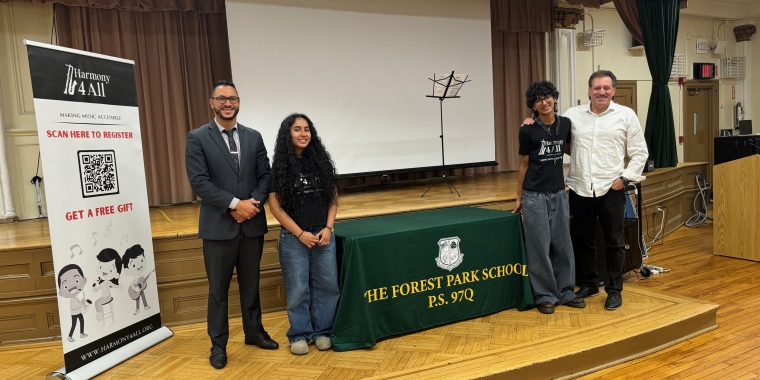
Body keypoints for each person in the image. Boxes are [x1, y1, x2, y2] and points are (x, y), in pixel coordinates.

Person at [523, 70, 648, 311]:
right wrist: (531, 120)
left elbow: (640, 152)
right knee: (583, 240)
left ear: (614, 90)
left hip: (611, 187)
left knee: (614, 242)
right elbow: (552, 132)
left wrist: (625, 177)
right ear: (589, 90)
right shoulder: (572, 115)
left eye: (606, 88)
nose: (601, 92)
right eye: (597, 88)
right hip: (579, 187)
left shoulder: (626, 115)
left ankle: (614, 289)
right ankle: (590, 283)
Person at [185, 80, 279, 370]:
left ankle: (254, 333)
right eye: (222, 98)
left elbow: (266, 175)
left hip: (251, 225)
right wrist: (234, 205)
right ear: (211, 102)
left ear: (239, 102)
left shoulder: (254, 136)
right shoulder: (198, 137)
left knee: (251, 286)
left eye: (233, 98)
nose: (228, 103)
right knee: (218, 291)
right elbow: (199, 182)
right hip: (218, 229)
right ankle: (218, 345)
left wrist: (251, 204)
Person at [268, 113, 340, 356]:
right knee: (298, 288)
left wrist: (328, 228)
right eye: (297, 129)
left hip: (323, 236)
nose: (303, 134)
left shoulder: (321, 163)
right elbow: (275, 208)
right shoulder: (278, 168)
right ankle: (299, 334)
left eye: (307, 129)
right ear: (288, 134)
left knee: (328, 285)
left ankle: (323, 331)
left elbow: (333, 200)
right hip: (294, 238)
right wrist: (300, 234)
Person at [513, 81, 586, 315]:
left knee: (564, 245)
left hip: (558, 193)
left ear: (554, 99)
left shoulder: (565, 124)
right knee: (539, 247)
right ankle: (544, 295)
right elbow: (524, 166)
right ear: (532, 106)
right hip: (535, 196)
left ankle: (566, 291)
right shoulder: (527, 130)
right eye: (538, 100)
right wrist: (519, 197)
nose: (544, 102)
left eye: (547, 97)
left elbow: (567, 148)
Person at [57, 264, 90, 342]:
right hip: (74, 313)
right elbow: (74, 307)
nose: (72, 286)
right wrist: (81, 304)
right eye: (65, 286)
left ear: (84, 280)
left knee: (81, 321)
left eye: (76, 281)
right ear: (61, 293)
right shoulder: (72, 299)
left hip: (77, 312)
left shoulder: (75, 297)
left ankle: (81, 333)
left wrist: (82, 303)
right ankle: (69, 336)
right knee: (74, 325)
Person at [122, 244, 154, 315]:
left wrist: (150, 274)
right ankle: (138, 309)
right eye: (133, 265)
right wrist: (135, 288)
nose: (139, 265)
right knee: (138, 296)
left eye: (141, 260)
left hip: (138, 290)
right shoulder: (135, 278)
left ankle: (143, 307)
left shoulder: (141, 276)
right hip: (134, 290)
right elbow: (132, 285)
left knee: (141, 293)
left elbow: (144, 282)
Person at [92, 248, 121, 321]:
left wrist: (119, 286)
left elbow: (114, 285)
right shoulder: (101, 282)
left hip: (107, 297)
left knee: (99, 303)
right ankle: (99, 312)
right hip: (103, 297)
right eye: (101, 267)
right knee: (96, 302)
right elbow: (96, 290)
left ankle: (101, 314)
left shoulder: (108, 282)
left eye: (110, 269)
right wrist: (94, 285)